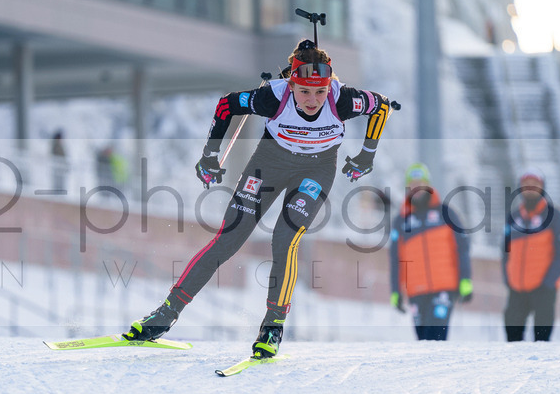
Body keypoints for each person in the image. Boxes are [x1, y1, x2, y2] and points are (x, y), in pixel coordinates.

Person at [122, 38, 392, 358]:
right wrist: (210, 155)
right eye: (305, 91)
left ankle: (272, 328)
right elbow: (226, 105)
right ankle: (165, 314)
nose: (313, 100)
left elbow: (382, 106)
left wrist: (367, 155)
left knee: (284, 239)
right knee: (228, 240)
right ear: (291, 84)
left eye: (320, 91)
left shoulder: (343, 98)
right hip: (269, 165)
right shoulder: (271, 96)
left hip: (315, 172)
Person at [388, 163, 472, 340]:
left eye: (421, 183)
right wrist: (395, 291)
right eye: (413, 184)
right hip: (416, 291)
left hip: (444, 288)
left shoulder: (446, 213)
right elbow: (395, 258)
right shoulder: (401, 221)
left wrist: (466, 280)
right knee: (423, 340)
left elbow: (462, 248)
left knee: (436, 337)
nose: (417, 188)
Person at [502, 168, 560, 341]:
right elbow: (504, 250)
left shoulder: (555, 216)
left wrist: (549, 282)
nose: (530, 188)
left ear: (542, 187)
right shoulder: (514, 217)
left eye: (535, 184)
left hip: (543, 288)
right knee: (512, 339)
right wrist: (508, 279)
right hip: (516, 289)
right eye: (526, 184)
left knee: (541, 343)